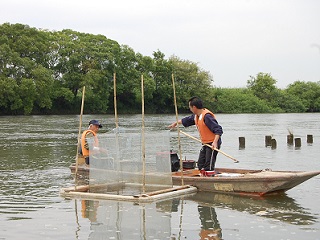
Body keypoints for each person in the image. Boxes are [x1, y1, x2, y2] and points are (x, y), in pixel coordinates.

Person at [168, 96, 223, 171]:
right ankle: (202, 175)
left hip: (213, 144)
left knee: (208, 164)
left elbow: (218, 130)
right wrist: (175, 123)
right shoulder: (196, 116)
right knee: (200, 164)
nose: (190, 109)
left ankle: (209, 177)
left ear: (194, 107)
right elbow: (187, 120)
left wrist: (215, 142)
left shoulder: (207, 117)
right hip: (205, 143)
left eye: (190, 107)